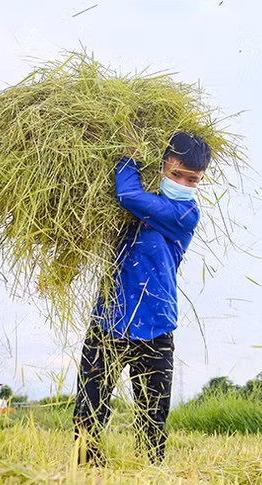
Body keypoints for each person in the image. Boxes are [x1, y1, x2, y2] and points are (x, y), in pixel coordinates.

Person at [73, 131, 212, 466]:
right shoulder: (140, 209)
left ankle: (150, 478)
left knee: (152, 416)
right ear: (162, 166)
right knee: (87, 410)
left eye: (192, 179)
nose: (182, 182)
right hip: (110, 316)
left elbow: (127, 193)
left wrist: (129, 156)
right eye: (175, 173)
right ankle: (89, 477)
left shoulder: (183, 214)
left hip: (155, 322)